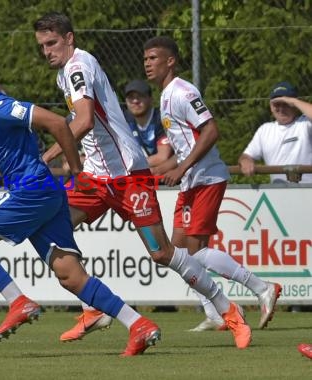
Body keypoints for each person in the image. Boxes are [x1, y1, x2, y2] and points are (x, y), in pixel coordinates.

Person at [0, 45, 161, 357]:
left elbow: (57, 123)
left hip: (32, 187)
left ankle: (18, 302)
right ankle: (138, 324)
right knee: (70, 277)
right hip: (42, 193)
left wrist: (76, 171)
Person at [34, 12, 250, 350]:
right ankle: (93, 307)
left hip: (127, 177)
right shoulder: (66, 73)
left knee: (162, 253)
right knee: (52, 229)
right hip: (94, 178)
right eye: (42, 46)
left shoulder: (78, 66)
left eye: (52, 43)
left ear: (70, 39)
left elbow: (86, 120)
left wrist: (44, 158)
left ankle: (229, 310)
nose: (47, 51)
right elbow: (78, 120)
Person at [143, 35, 281, 331]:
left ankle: (260, 288)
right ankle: (216, 312)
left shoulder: (182, 91)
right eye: (145, 59)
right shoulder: (165, 97)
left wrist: (182, 167)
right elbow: (182, 145)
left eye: (153, 58)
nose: (147, 64)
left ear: (171, 61)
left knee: (194, 252)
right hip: (191, 181)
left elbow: (211, 131)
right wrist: (171, 170)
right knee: (175, 252)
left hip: (205, 178)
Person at [238, 81, 312, 184]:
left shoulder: (305, 123)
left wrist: (295, 102)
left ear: (293, 104)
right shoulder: (265, 130)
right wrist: (245, 160)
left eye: (285, 104)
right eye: (277, 104)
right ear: (271, 107)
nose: (281, 109)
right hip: (278, 193)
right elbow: (246, 155)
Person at [123, 79, 173, 174]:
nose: (135, 101)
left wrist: (128, 165)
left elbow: (163, 157)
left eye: (140, 96)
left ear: (150, 99)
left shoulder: (161, 118)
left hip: (168, 178)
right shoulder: (124, 120)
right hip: (142, 173)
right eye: (131, 97)